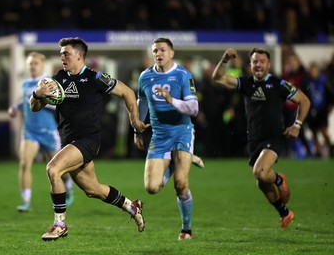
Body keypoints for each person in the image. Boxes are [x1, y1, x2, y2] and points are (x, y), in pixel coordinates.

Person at [30, 37, 149, 241]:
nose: (62, 57)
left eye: (66, 53)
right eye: (61, 54)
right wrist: (37, 94)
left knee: (53, 168)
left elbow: (128, 92)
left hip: (88, 140)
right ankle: (132, 206)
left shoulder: (95, 78)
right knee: (93, 190)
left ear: (79, 55)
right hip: (69, 142)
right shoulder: (57, 78)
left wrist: (135, 120)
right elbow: (35, 107)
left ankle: (59, 224)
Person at [212, 48, 311, 228]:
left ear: (268, 64)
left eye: (262, 61)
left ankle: (279, 180)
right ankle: (285, 213)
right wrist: (224, 60)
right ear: (250, 65)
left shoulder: (279, 84)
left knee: (260, 172)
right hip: (254, 140)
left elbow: (304, 101)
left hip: (274, 137)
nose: (258, 65)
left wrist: (297, 125)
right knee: (262, 183)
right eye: (255, 61)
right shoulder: (246, 83)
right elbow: (218, 78)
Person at [134, 37, 199, 240]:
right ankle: (174, 163)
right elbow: (142, 101)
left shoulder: (183, 75)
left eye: (162, 50)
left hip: (182, 131)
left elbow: (194, 109)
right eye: (155, 51)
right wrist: (138, 128)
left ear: (171, 53)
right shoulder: (145, 77)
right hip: (160, 135)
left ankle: (186, 229)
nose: (158, 54)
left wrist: (171, 100)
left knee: (180, 183)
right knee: (151, 188)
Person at [8, 52, 74, 213]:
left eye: (35, 63)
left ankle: (69, 186)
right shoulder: (25, 84)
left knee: (58, 167)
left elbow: (58, 102)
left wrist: (43, 99)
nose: (32, 66)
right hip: (30, 131)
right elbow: (24, 100)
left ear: (42, 65)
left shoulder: (49, 83)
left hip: (48, 132)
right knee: (24, 164)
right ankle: (26, 201)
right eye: (30, 63)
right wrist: (15, 108)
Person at [302, 62, 334, 157]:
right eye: (311, 71)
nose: (313, 72)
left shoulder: (324, 80)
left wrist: (330, 105)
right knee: (314, 132)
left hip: (322, 110)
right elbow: (304, 95)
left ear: (318, 71)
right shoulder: (307, 82)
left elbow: (331, 93)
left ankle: (331, 147)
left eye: (315, 70)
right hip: (311, 111)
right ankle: (318, 152)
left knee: (323, 130)